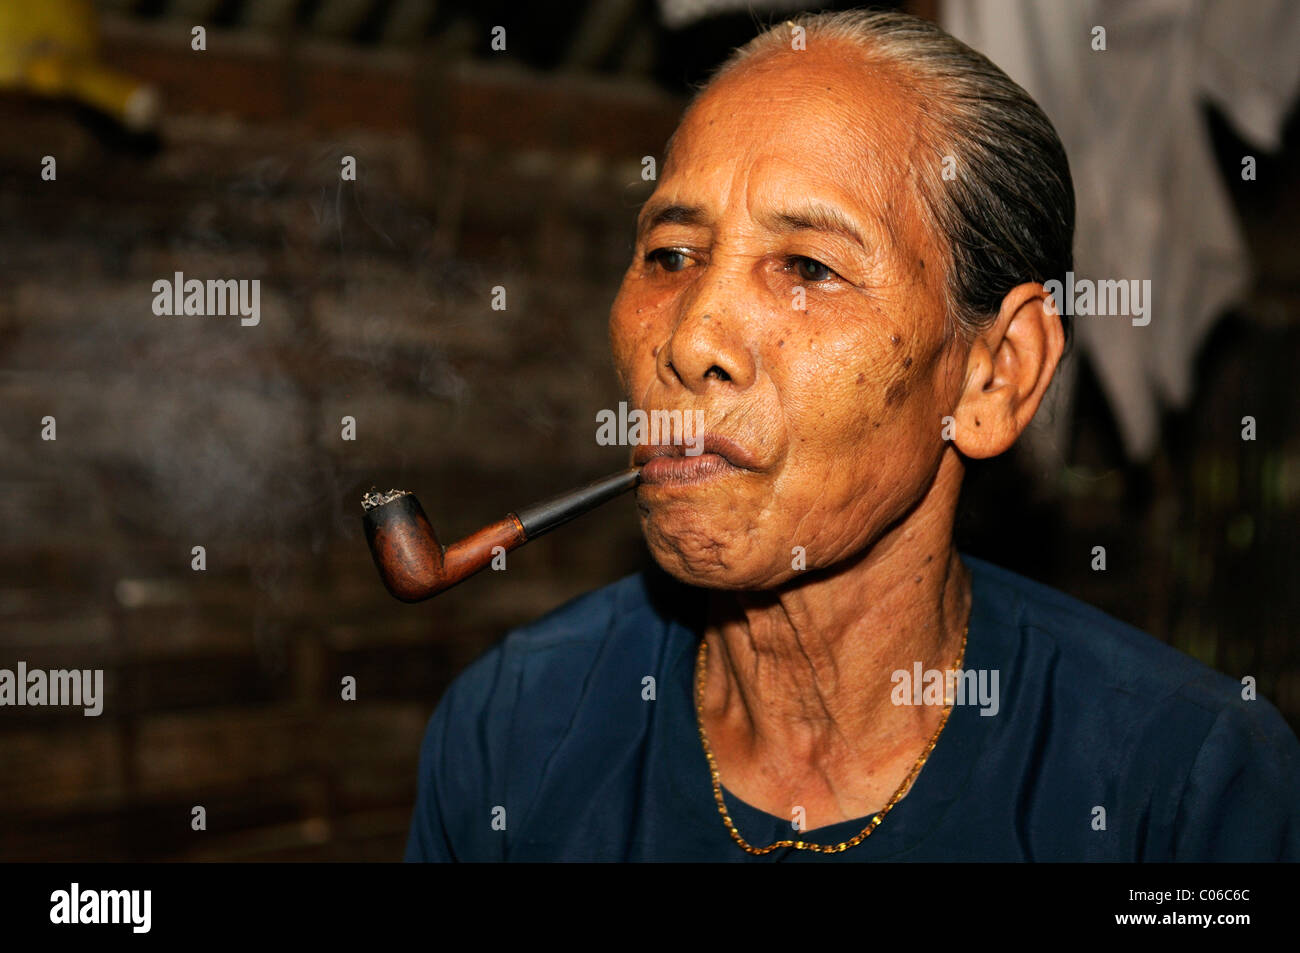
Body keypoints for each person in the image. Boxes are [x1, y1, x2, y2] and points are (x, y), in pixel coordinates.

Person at [405, 10, 1300, 862]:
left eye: (808, 268)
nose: (690, 339)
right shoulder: (514, 730)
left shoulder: (1185, 783)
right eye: (671, 255)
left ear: (995, 374)